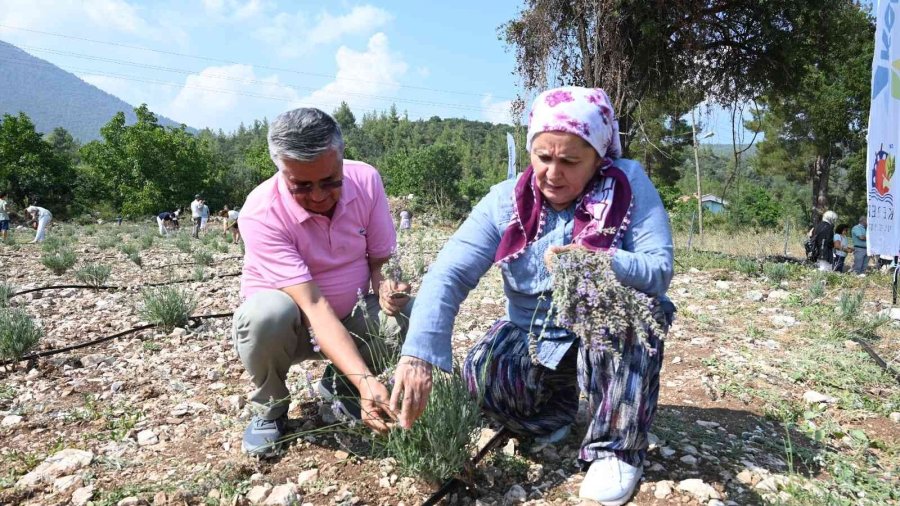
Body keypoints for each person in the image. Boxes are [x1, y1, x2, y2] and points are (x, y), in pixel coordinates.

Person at [392, 87, 675, 505]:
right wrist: (418, 355)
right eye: (543, 158)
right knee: (482, 377)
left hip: (602, 329)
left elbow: (659, 270)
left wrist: (603, 260)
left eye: (570, 161)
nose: (553, 174)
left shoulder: (628, 185)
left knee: (629, 314)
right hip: (536, 334)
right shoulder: (504, 202)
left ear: (598, 158)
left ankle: (617, 447)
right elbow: (448, 274)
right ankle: (555, 410)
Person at [233, 107, 412, 457]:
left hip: (352, 315)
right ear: (281, 170)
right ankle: (271, 409)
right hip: (293, 326)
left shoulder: (366, 181)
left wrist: (387, 285)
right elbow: (314, 307)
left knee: (410, 315)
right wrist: (366, 380)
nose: (318, 196)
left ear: (342, 160)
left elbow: (379, 260)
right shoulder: (260, 211)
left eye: (330, 181)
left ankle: (341, 384)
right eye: (301, 185)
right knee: (265, 315)